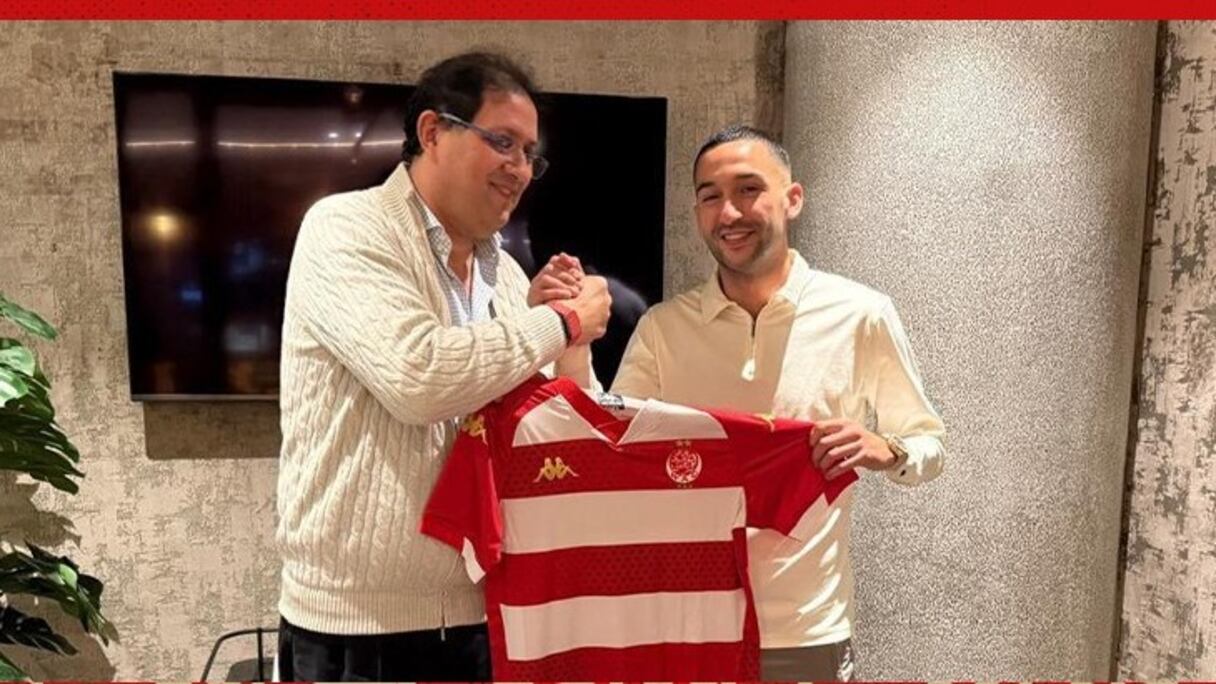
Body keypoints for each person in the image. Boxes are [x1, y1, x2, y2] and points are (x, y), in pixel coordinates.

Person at [274, 51, 610, 681]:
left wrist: (568, 343)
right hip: (358, 626)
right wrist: (561, 323)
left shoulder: (507, 276)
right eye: (501, 142)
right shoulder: (346, 228)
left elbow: (562, 434)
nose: (520, 169)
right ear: (432, 131)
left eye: (529, 154)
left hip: (487, 611)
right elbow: (420, 377)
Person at [611, 124, 946, 681]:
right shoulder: (662, 329)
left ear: (792, 199)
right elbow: (615, 451)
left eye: (748, 189)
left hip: (807, 631)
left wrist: (887, 449)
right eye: (710, 196)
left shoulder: (860, 314)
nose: (729, 213)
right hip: (685, 625)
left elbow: (929, 444)